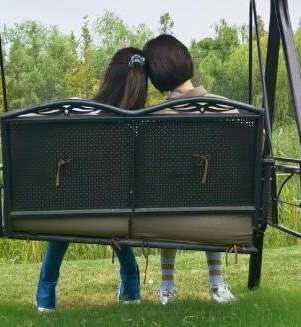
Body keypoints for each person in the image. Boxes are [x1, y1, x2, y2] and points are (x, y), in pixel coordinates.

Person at [35, 47, 148, 312]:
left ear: (109, 77)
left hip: (70, 213)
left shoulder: (75, 110)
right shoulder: (143, 125)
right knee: (117, 213)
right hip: (117, 215)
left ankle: (45, 296)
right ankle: (131, 288)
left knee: (65, 210)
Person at [143, 33, 236, 306]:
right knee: (209, 189)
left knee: (169, 193)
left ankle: (167, 286)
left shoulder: (153, 120)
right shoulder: (230, 110)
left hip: (168, 211)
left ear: (156, 76)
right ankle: (216, 283)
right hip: (222, 209)